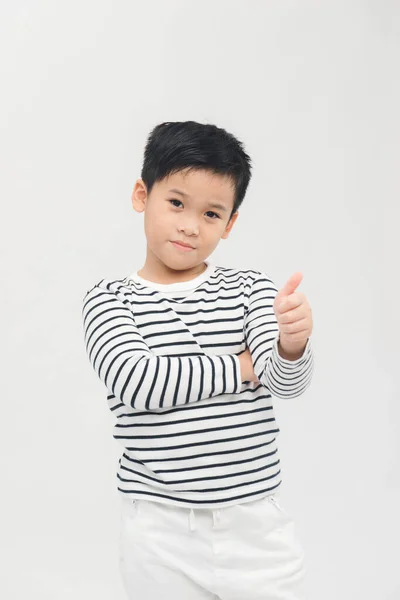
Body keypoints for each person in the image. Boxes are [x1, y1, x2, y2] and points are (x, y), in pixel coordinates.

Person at [81, 120, 314, 600]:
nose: (190, 225)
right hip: (160, 531)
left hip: (255, 527)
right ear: (141, 195)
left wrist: (291, 345)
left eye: (211, 214)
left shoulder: (249, 289)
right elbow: (139, 382)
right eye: (176, 203)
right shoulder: (109, 300)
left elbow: (283, 381)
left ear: (229, 225)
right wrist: (241, 367)